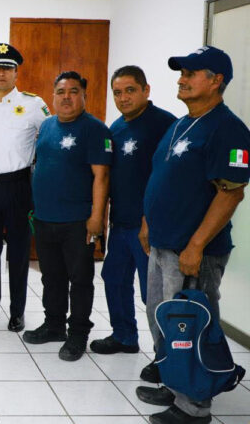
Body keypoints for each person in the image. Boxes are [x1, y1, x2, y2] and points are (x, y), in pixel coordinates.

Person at [135, 46, 249, 424]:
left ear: (216, 81)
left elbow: (231, 192)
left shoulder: (227, 129)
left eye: (191, 73)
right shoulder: (182, 123)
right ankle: (174, 383)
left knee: (190, 326)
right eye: (181, 73)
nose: (182, 80)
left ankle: (194, 407)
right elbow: (162, 177)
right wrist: (148, 222)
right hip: (163, 243)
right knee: (163, 319)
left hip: (193, 250)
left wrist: (196, 245)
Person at [24, 71, 112, 362]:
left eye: (73, 91)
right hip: (45, 218)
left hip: (78, 221)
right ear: (53, 96)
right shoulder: (47, 125)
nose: (66, 97)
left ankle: (78, 334)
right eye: (60, 92)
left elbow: (101, 177)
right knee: (52, 276)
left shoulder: (95, 129)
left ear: (84, 95)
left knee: (80, 279)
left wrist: (97, 217)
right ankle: (54, 325)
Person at [90, 66, 175, 355]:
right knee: (114, 279)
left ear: (145, 90)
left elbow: (170, 178)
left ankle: (165, 355)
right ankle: (124, 336)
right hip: (121, 224)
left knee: (153, 293)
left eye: (130, 90)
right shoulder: (115, 128)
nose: (123, 98)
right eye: (117, 92)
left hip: (151, 227)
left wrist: (149, 219)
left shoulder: (165, 125)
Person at [0, 43, 50, 331]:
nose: (1, 73)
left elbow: (49, 139)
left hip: (19, 187)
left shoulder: (33, 104)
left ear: (16, 73)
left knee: (18, 254)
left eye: (7, 68)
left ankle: (17, 312)